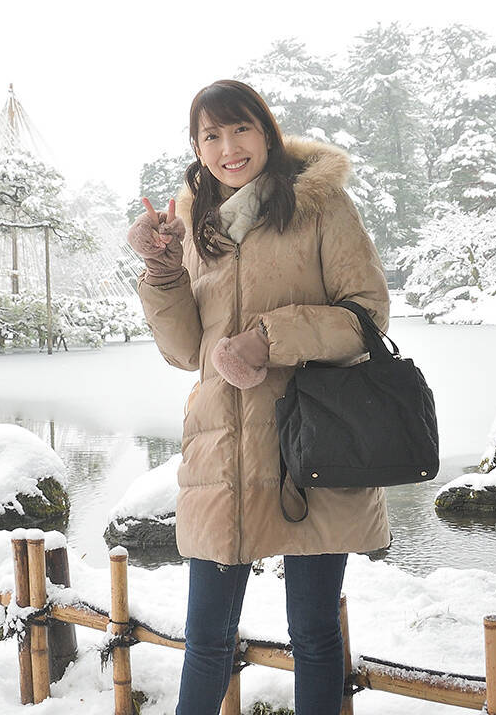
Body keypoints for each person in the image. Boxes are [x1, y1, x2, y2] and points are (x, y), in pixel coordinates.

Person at [127, 79, 390, 715]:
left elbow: (367, 316)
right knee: (207, 638)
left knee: (315, 634)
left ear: (266, 132)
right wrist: (162, 273)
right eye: (210, 135)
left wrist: (268, 339)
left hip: (314, 443)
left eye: (240, 129)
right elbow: (187, 351)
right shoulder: (193, 224)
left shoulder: (322, 206)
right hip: (223, 447)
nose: (228, 147)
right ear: (196, 146)